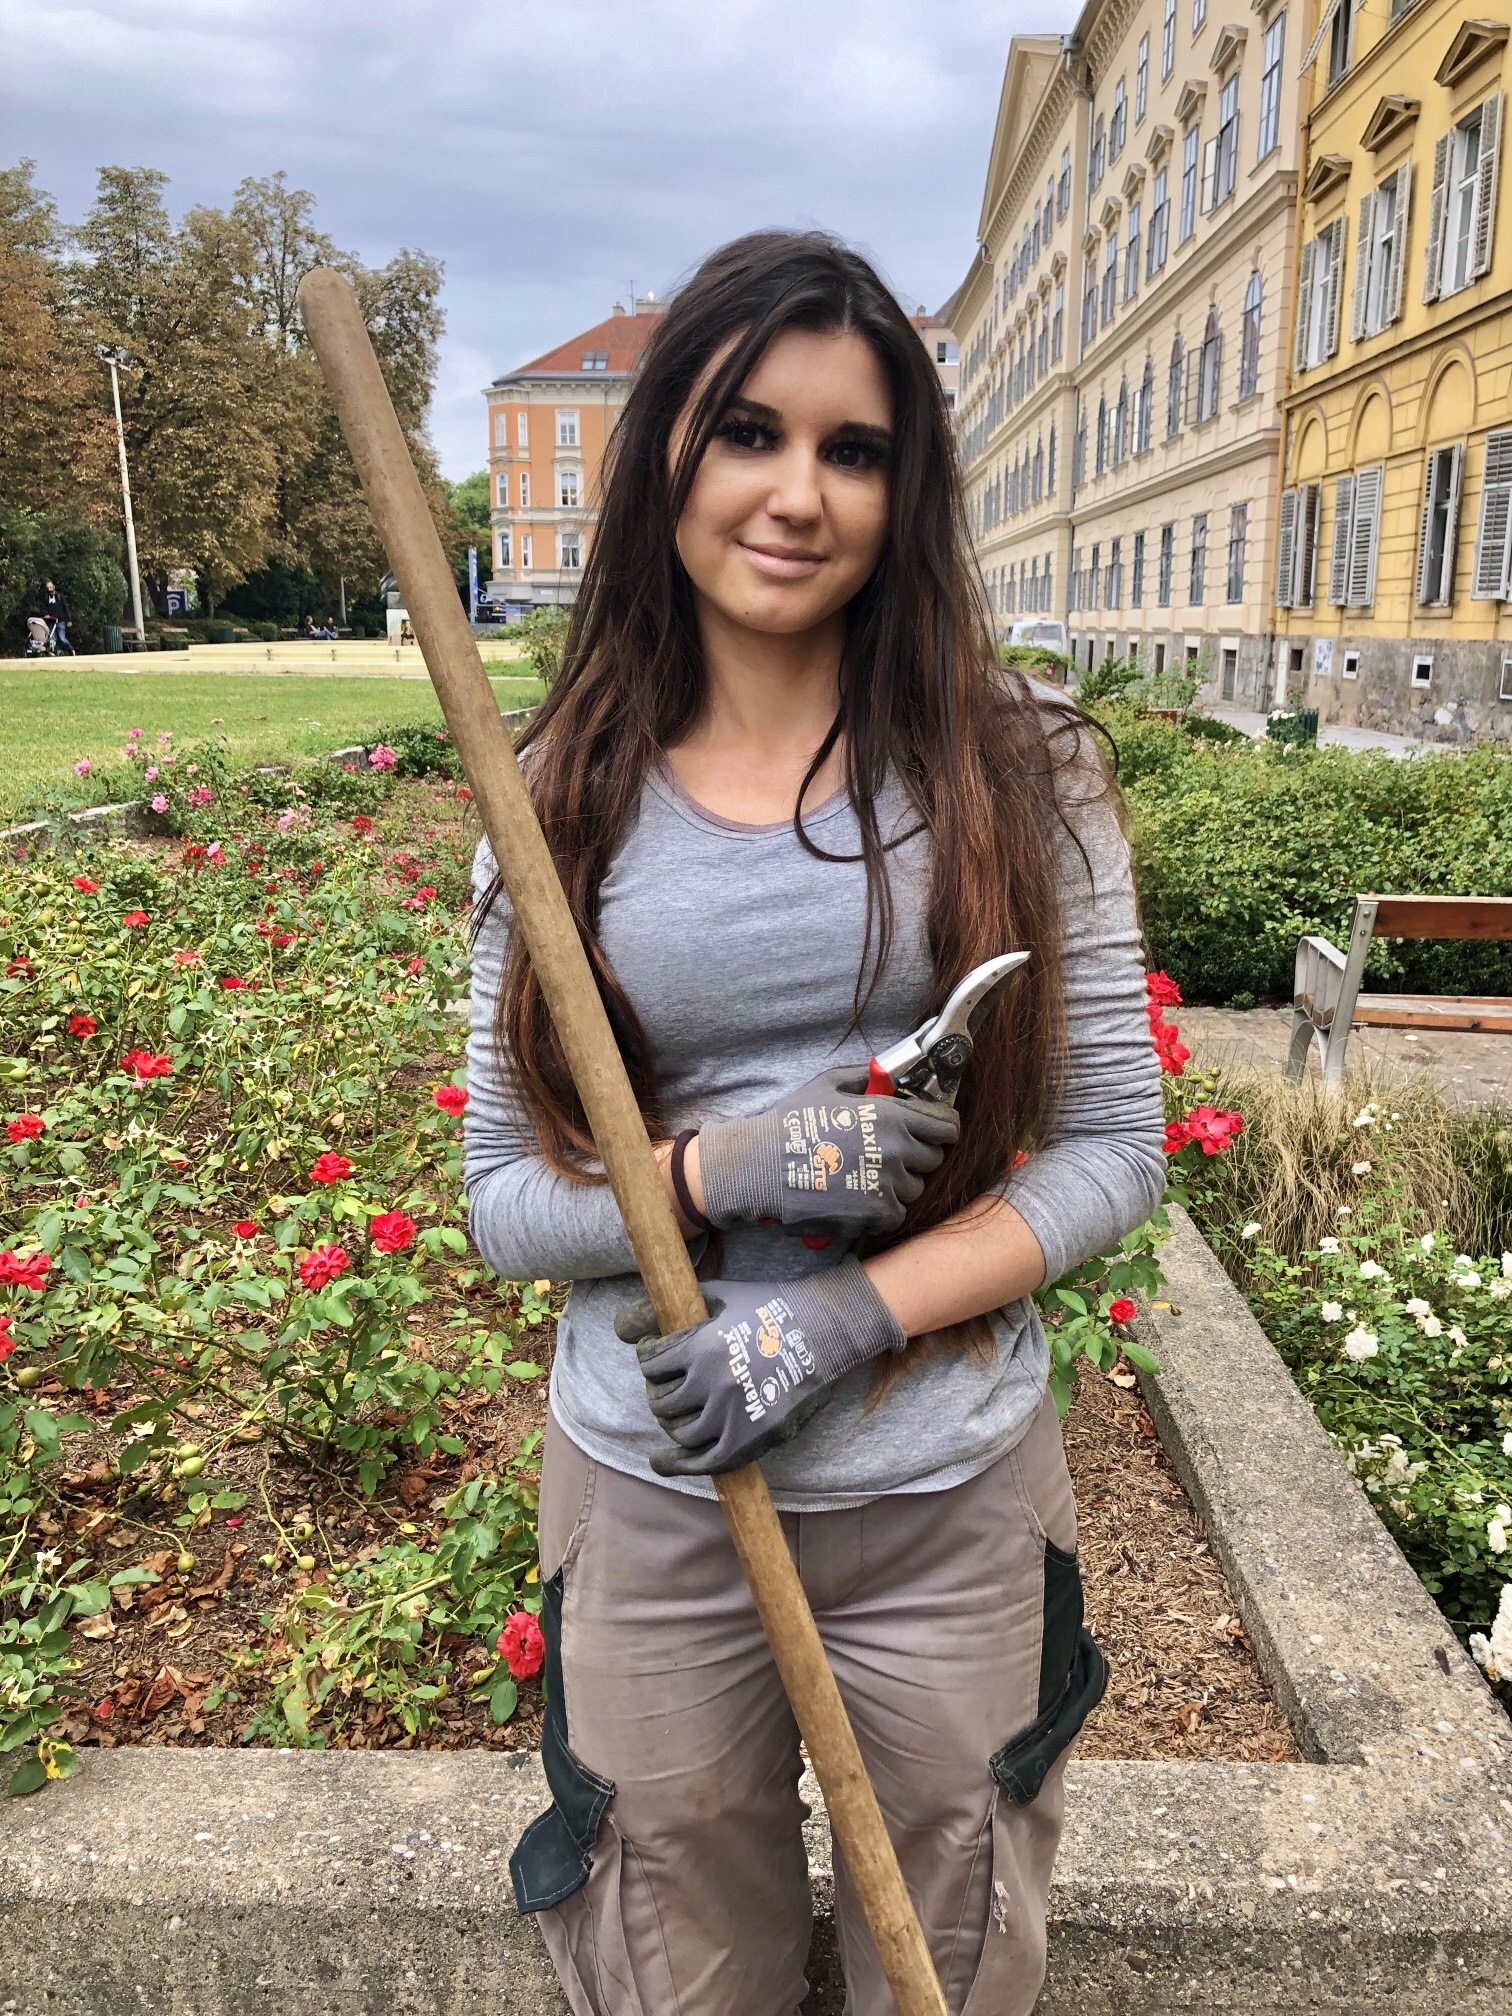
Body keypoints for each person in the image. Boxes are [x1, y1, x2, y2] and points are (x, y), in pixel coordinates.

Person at [463, 230, 1164, 2016]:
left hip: (946, 1498)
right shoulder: (552, 798)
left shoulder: (1024, 768)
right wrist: (708, 1176)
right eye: (744, 433)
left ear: (902, 488)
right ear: (666, 467)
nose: (796, 493)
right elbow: (496, 1202)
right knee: (671, 1959)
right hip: (656, 1498)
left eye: (851, 450)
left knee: (955, 1953)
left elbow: (1109, 1151)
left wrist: (855, 1311)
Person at [40, 580, 74, 655]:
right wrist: (46, 614)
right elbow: (43, 608)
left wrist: (69, 620)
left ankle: (71, 649)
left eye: (50, 587)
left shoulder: (59, 596)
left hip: (60, 621)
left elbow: (66, 608)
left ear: (54, 587)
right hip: (51, 622)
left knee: (62, 638)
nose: (49, 589)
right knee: (52, 640)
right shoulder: (45, 598)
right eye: (48, 588)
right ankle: (57, 652)